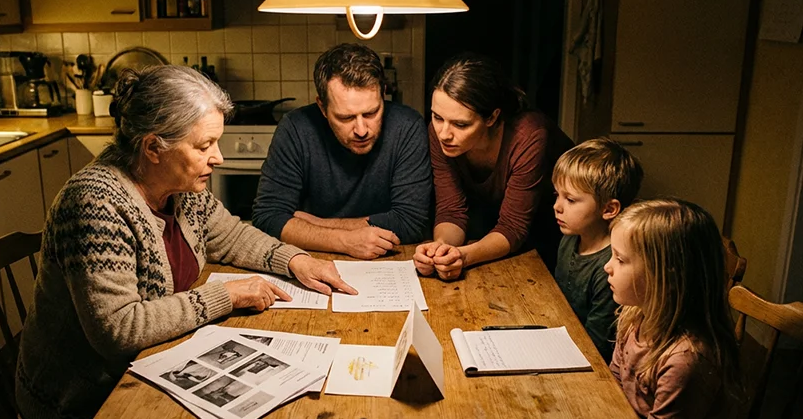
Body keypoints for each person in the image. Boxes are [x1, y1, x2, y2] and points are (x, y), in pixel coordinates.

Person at [15, 65, 356, 419]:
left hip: (153, 362)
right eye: (204, 145)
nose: (219, 158)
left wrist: (296, 261)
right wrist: (226, 296)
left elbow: (231, 235)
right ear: (153, 147)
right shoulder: (96, 203)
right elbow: (119, 329)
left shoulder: (181, 187)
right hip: (85, 399)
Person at [251, 43, 432, 259]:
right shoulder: (295, 128)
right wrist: (343, 241)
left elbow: (410, 222)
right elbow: (267, 217)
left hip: (390, 260)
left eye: (372, 113)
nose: (362, 130)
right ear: (322, 107)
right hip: (311, 262)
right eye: (346, 117)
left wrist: (317, 224)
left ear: (383, 94)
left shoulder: (407, 126)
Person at [605, 198, 742, 419]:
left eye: (620, 259)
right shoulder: (634, 316)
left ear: (664, 276)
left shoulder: (686, 360)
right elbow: (613, 389)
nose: (608, 267)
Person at [414, 53, 573, 280]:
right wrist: (439, 249)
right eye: (437, 117)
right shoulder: (439, 133)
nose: (444, 134)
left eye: (461, 124)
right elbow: (451, 210)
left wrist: (463, 256)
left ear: (492, 117)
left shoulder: (528, 136)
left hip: (557, 233)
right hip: (499, 231)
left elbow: (513, 226)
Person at [552, 137, 644, 363]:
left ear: (609, 209)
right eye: (557, 195)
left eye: (571, 200)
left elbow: (597, 345)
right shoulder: (570, 238)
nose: (557, 206)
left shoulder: (611, 267)